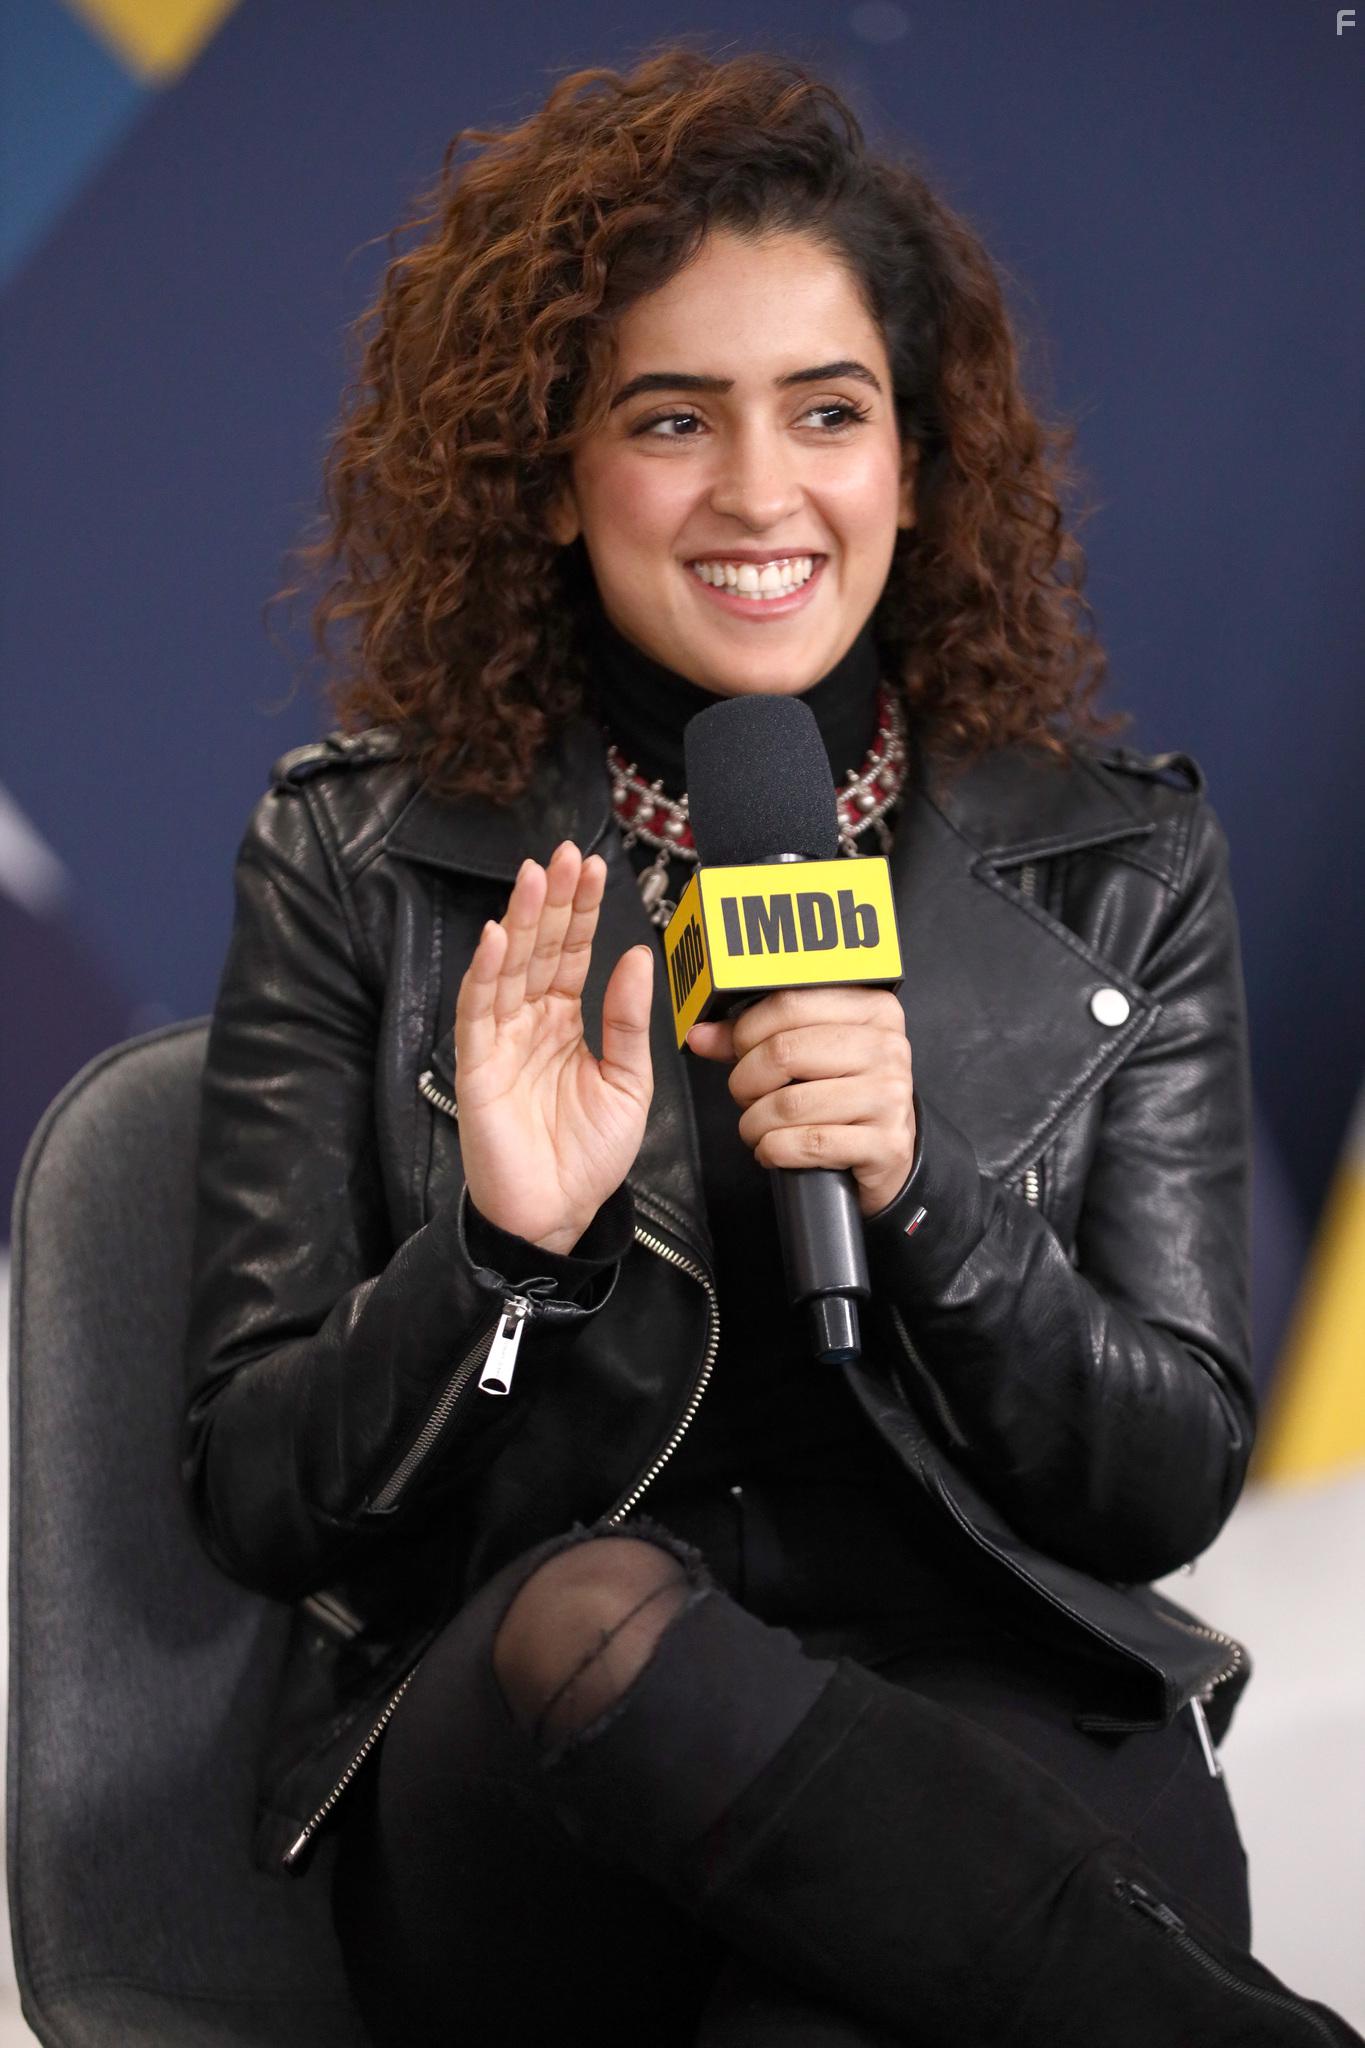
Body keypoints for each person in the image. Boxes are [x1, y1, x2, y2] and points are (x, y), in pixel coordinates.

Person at [182, 48, 1360, 2048]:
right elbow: (262, 1492)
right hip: (541, 1753)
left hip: (986, 1702)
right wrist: (495, 1254)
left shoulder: (1117, 859)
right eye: (670, 418)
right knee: (594, 1623)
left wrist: (927, 1201)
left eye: (826, 411)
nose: (758, 491)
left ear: (912, 460)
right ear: (552, 473)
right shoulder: (356, 856)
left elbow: (1156, 1477)